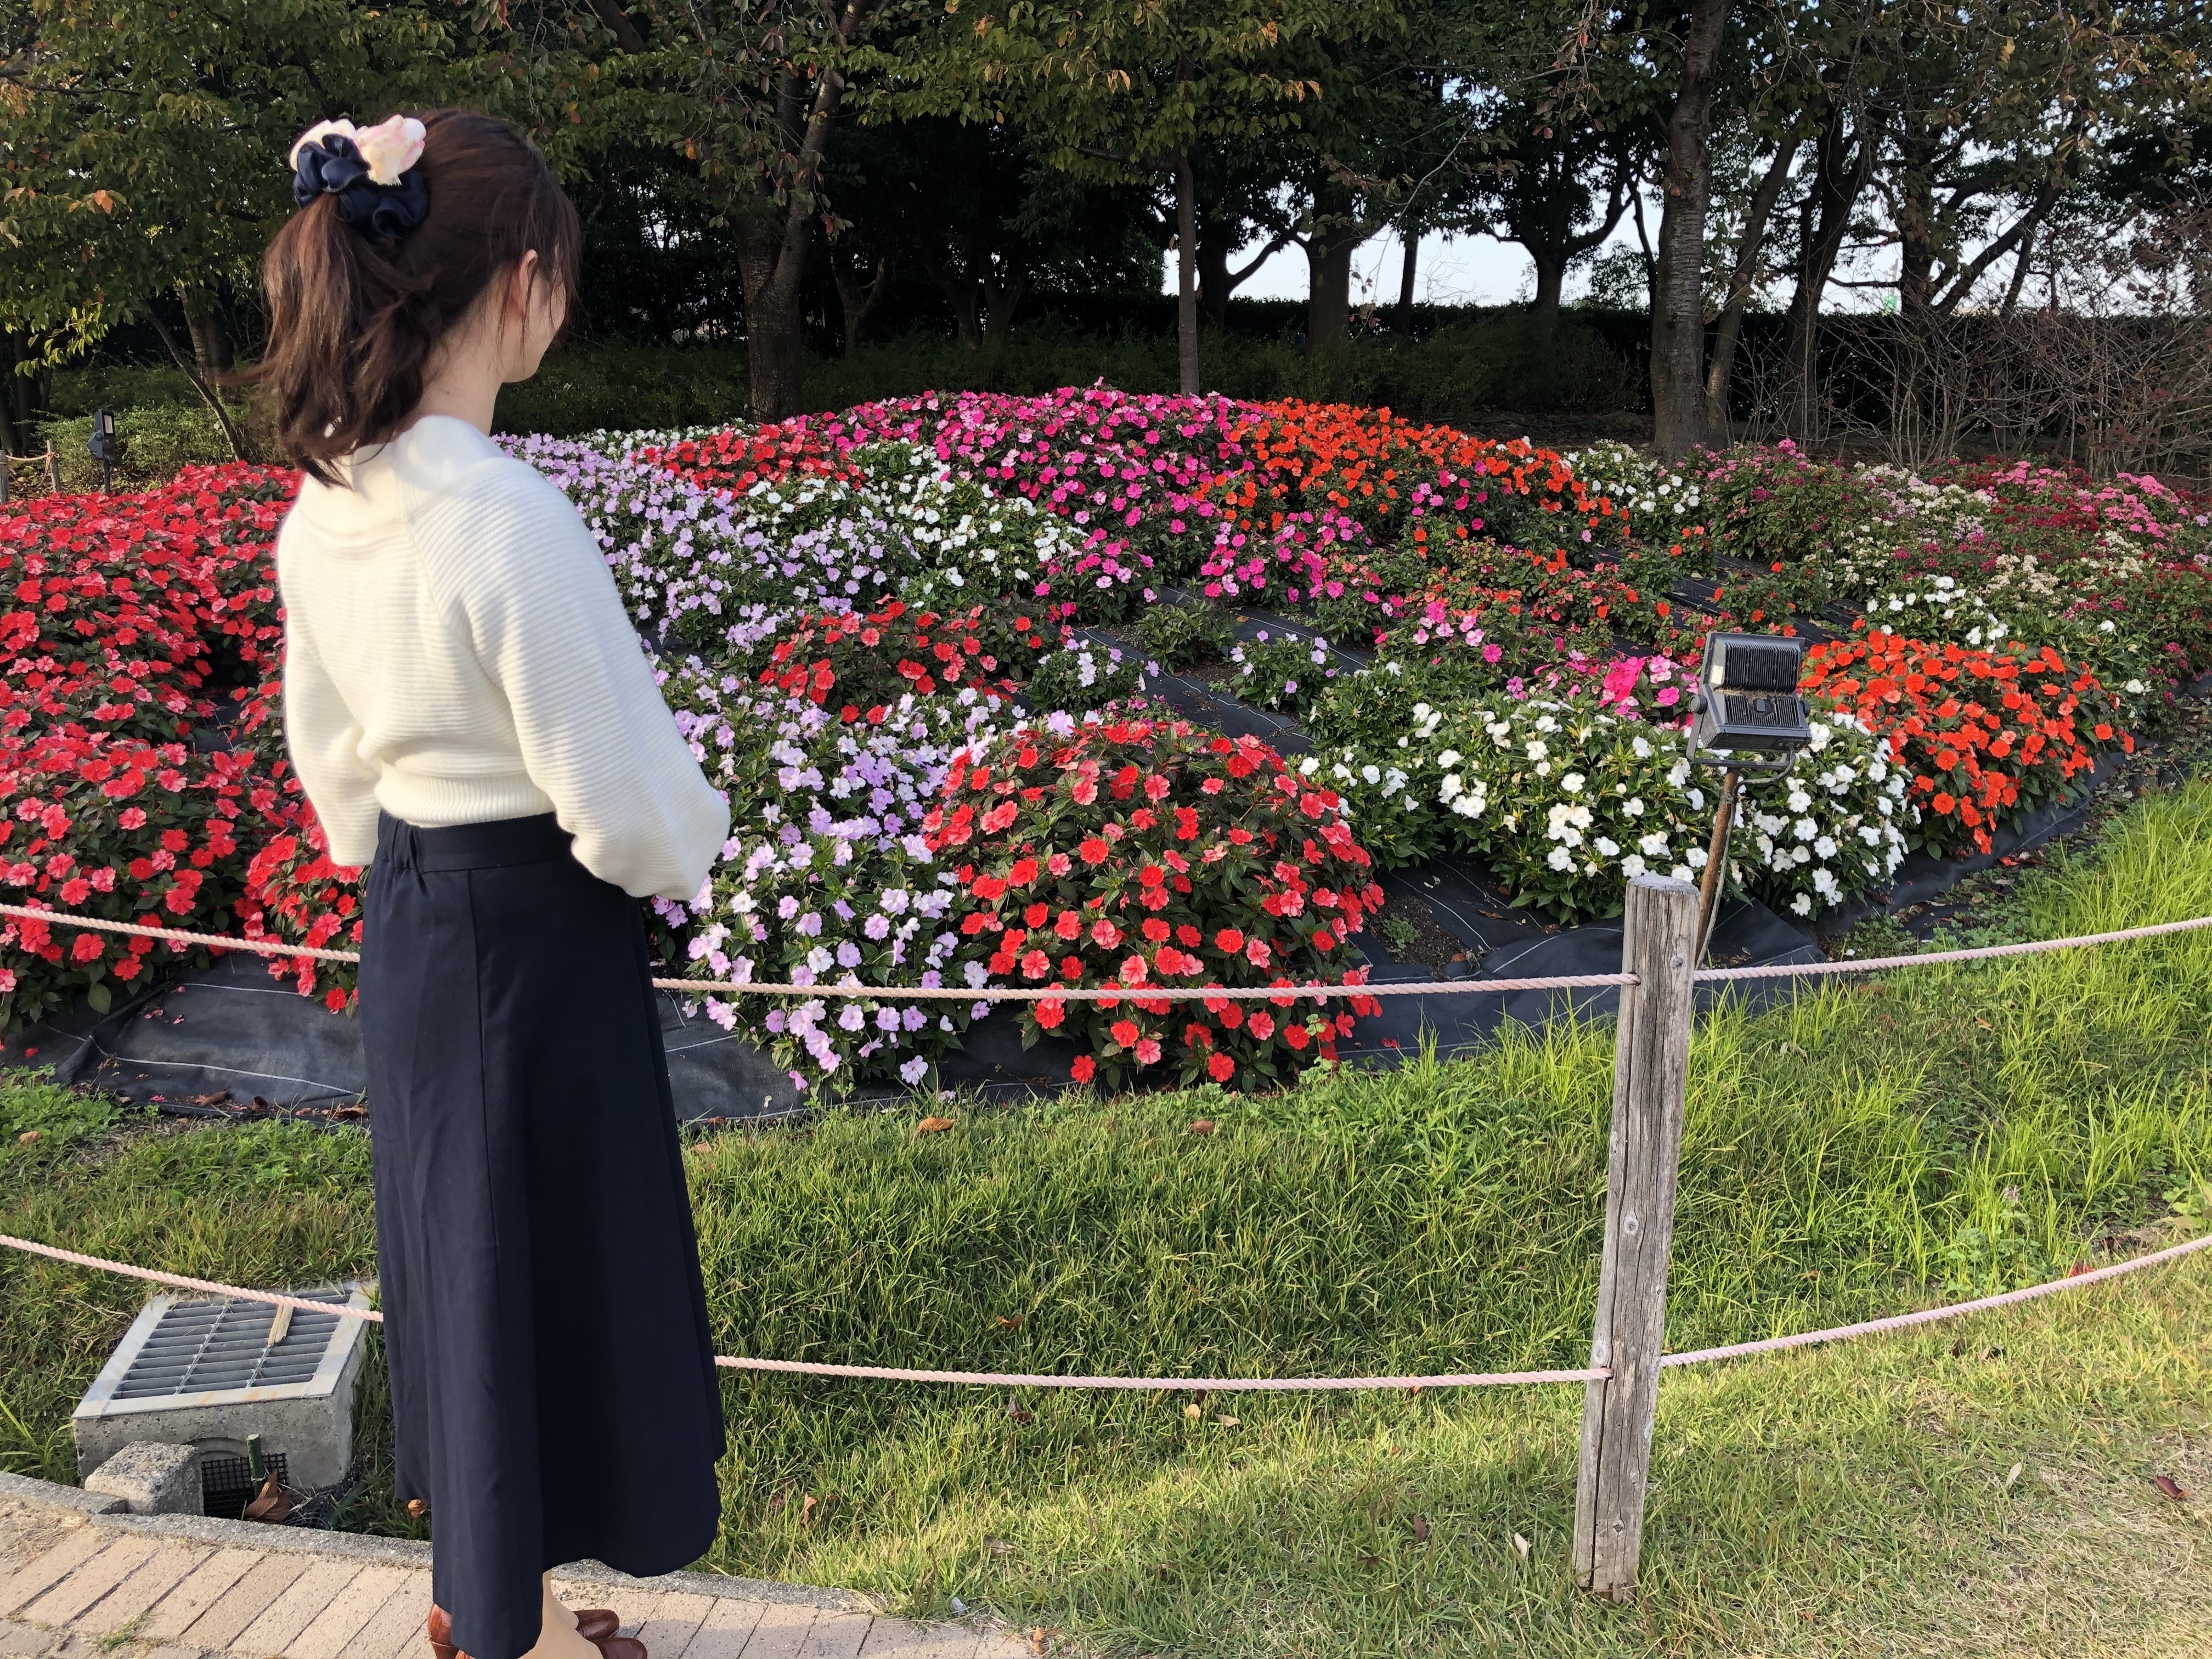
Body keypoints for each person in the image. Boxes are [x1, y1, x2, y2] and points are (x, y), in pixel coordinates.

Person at [256, 109, 731, 1659]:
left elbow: (333, 766)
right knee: (557, 1264)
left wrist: (406, 856)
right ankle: (497, 1629)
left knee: (465, 1266)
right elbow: (628, 810)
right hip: (537, 932)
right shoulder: (507, 517)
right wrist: (696, 841)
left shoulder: (325, 505)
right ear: (523, 282)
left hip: (414, 919)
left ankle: (485, 1605)